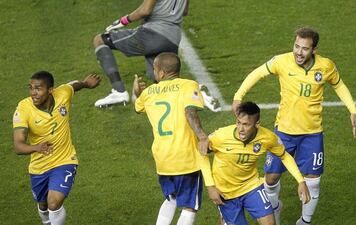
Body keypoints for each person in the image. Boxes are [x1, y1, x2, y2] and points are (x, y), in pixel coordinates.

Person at [232, 27, 356, 225]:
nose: (299, 52)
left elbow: (338, 85)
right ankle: (276, 212)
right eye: (296, 46)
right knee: (271, 179)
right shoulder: (282, 61)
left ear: (314, 50)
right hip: (284, 132)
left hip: (312, 134)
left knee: (313, 181)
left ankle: (305, 222)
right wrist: (239, 96)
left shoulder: (326, 66)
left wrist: (352, 110)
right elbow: (257, 73)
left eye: (304, 49)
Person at [12, 71, 101, 225]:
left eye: (38, 88)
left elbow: (73, 86)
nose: (33, 93)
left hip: (65, 160)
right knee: (44, 205)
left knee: (54, 203)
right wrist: (36, 147)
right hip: (39, 166)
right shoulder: (24, 108)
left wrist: (86, 83)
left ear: (50, 90)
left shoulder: (62, 94)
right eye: (31, 88)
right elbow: (18, 145)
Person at [133, 52, 211, 225]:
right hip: (185, 158)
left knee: (171, 198)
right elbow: (190, 111)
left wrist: (136, 92)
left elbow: (137, 106)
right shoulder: (188, 85)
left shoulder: (148, 93)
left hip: (163, 159)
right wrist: (202, 136)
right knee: (189, 206)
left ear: (161, 73)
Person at [204, 102, 310, 225]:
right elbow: (201, 153)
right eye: (238, 123)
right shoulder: (221, 136)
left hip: (250, 186)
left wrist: (300, 181)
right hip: (225, 192)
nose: (241, 129)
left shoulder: (267, 138)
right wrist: (210, 186)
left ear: (257, 124)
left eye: (246, 125)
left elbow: (284, 155)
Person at [93, 0, 189, 107]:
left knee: (99, 40)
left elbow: (145, 10)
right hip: (173, 37)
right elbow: (184, 11)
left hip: (153, 33)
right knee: (162, 83)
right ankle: (194, 97)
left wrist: (124, 20)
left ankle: (119, 92)